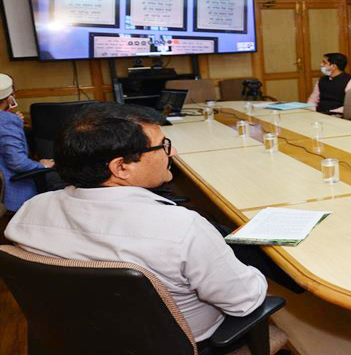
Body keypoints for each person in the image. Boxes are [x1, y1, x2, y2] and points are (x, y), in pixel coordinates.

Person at [4, 103, 270, 346]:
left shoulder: (31, 210)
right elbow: (244, 302)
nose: (173, 152)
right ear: (121, 168)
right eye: (163, 146)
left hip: (79, 339)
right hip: (186, 344)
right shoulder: (181, 228)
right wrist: (246, 268)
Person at [0, 73, 54, 212]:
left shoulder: (8, 119)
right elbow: (18, 163)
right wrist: (42, 165)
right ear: (10, 98)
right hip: (13, 193)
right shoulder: (7, 121)